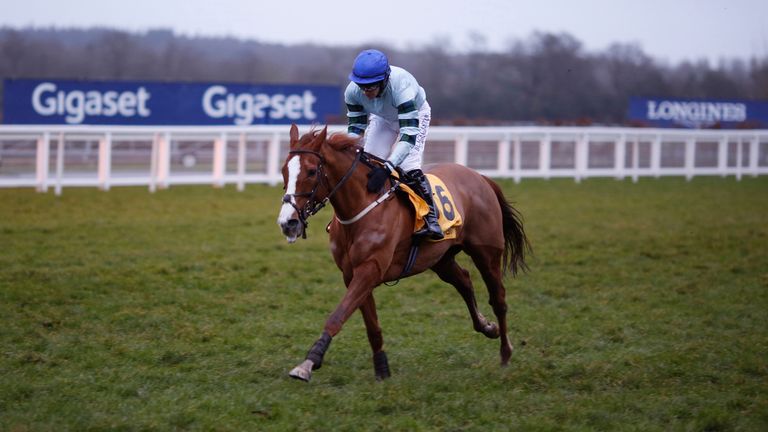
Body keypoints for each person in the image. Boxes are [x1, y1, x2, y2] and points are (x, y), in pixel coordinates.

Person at [344, 49, 443, 240]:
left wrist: (388, 168)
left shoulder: (401, 86)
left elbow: (408, 135)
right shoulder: (352, 92)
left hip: (415, 117)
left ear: (384, 80)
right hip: (383, 118)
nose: (365, 92)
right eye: (361, 86)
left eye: (371, 87)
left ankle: (432, 218)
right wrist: (349, 151)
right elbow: (355, 129)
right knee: (369, 160)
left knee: (407, 164)